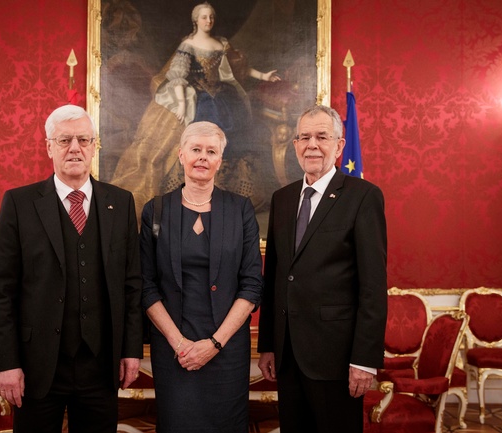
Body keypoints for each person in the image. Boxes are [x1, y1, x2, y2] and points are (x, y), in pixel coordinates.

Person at [0, 104, 143, 433]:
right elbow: (2, 293)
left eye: (84, 140)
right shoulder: (18, 203)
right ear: (48, 147)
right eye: (65, 140)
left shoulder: (122, 202)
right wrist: (6, 364)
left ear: (94, 146)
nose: (75, 148)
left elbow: (131, 286)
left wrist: (131, 351)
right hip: (37, 366)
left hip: (101, 367)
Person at [257, 105, 387, 433]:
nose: (311, 144)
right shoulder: (283, 199)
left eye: (321, 137)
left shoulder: (363, 196)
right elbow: (274, 275)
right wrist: (269, 345)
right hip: (288, 357)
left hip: (337, 359)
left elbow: (372, 285)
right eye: (304, 137)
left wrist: (363, 360)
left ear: (339, 146)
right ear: (295, 144)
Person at [140, 121, 263, 433]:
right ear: (181, 154)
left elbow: (251, 285)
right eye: (196, 149)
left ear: (220, 160)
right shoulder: (155, 210)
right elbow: (146, 285)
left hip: (226, 352)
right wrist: (180, 343)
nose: (202, 157)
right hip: (173, 352)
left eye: (211, 151)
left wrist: (214, 344)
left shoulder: (240, 209)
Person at [111, 2, 280, 217]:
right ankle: (193, 193)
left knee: (234, 136)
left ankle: (225, 192)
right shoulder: (188, 45)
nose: (208, 21)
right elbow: (179, 76)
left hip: (223, 97)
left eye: (211, 17)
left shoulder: (221, 44)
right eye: (203, 17)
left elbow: (238, 70)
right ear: (195, 20)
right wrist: (182, 105)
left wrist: (264, 76)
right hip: (198, 98)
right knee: (200, 134)